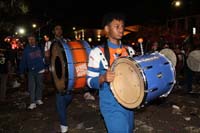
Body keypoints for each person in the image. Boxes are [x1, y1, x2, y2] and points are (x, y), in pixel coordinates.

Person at [86, 12, 135, 133]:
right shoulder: (97, 52)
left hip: (130, 103)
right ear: (107, 29)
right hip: (111, 105)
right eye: (116, 26)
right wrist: (102, 78)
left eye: (122, 26)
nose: (121, 29)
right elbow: (89, 81)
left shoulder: (130, 51)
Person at [51, 24, 72, 133]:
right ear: (54, 31)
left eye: (60, 29)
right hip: (56, 73)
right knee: (60, 97)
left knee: (68, 97)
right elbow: (47, 59)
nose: (59, 31)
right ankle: (63, 124)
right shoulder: (49, 43)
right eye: (56, 29)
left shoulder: (67, 41)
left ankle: (61, 109)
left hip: (69, 74)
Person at [19, 34, 46, 110]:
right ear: (28, 41)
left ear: (35, 39)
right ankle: (32, 102)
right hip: (31, 71)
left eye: (32, 39)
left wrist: (46, 66)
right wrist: (21, 71)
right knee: (31, 86)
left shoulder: (40, 47)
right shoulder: (26, 50)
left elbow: (44, 57)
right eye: (29, 39)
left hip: (40, 69)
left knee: (40, 85)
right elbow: (23, 61)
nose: (31, 41)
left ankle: (38, 99)